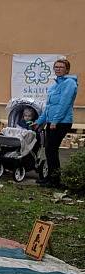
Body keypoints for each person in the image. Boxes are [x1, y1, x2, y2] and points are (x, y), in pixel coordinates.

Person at [34, 58, 79, 187]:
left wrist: (55, 121)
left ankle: (55, 180)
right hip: (52, 122)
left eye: (61, 67)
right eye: (56, 67)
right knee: (49, 150)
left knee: (52, 149)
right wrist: (40, 121)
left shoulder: (70, 83)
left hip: (61, 122)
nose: (58, 69)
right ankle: (50, 177)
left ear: (67, 70)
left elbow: (64, 104)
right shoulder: (54, 85)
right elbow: (48, 107)